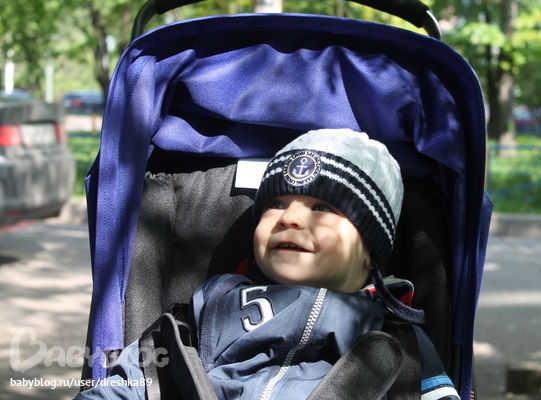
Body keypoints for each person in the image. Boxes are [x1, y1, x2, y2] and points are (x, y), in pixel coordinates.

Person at [75, 129, 459, 400]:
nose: (289, 218)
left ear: (369, 251)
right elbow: (137, 375)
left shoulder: (394, 336)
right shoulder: (216, 302)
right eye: (275, 204)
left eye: (321, 208)